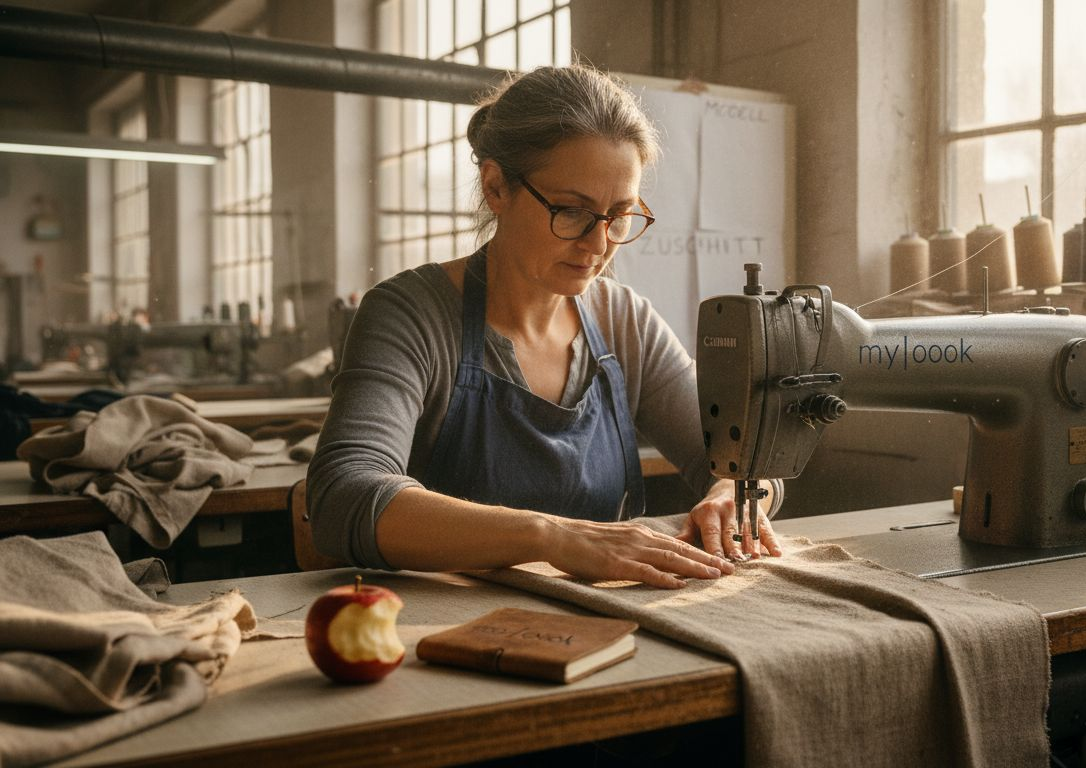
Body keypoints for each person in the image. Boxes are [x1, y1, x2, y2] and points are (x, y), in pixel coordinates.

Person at [307, 64, 783, 589]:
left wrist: (731, 496)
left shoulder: (625, 322)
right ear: (495, 187)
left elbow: (744, 457)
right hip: (438, 633)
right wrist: (553, 537)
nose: (599, 244)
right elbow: (343, 495)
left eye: (619, 215)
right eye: (572, 211)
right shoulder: (410, 316)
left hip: (607, 629)